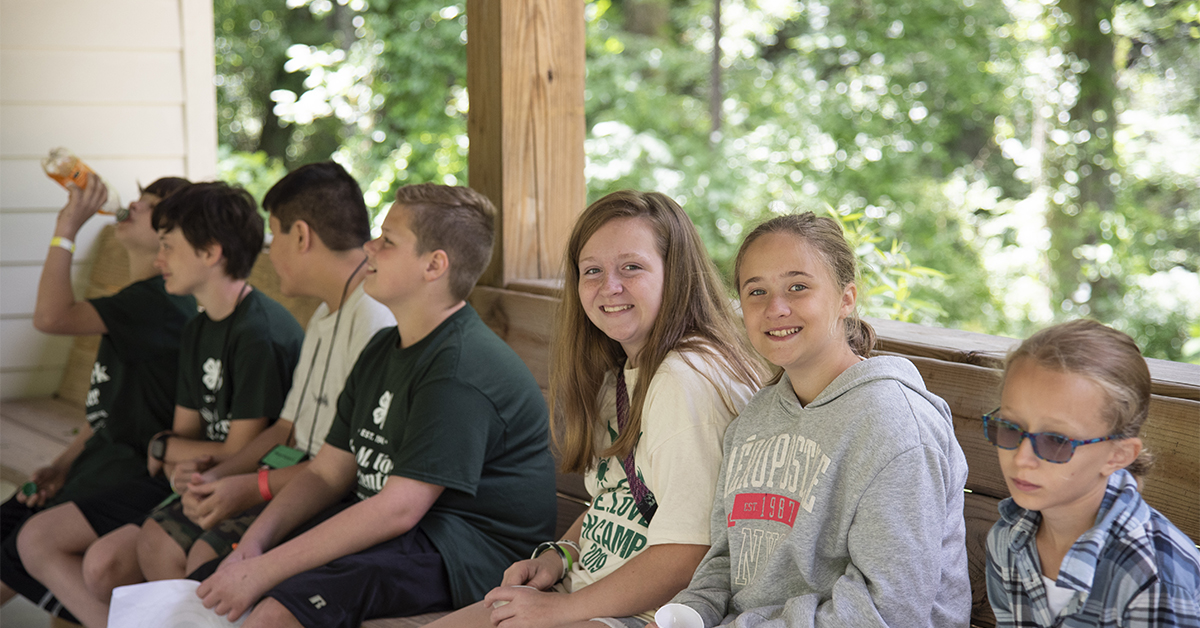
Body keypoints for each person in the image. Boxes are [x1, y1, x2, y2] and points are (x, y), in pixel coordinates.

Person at [194, 182, 557, 628]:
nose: (368, 246)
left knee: (275, 613)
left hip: (466, 552)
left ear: (434, 265)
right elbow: (327, 473)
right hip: (403, 531)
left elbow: (398, 509)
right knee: (212, 573)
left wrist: (262, 571)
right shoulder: (385, 346)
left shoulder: (460, 368)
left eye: (387, 241)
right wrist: (254, 546)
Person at [426, 190, 761, 628]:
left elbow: (687, 553)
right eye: (592, 271)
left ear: (675, 274)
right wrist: (560, 555)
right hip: (589, 590)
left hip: (647, 613)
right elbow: (616, 497)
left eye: (632, 267)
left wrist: (558, 610)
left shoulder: (685, 379)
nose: (610, 286)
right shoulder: (625, 369)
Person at [18, 181, 305, 628]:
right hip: (195, 478)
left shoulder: (257, 334)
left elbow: (237, 452)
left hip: (246, 486)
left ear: (211, 253)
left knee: (107, 563)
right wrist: (167, 452)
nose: (159, 259)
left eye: (168, 247)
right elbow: (181, 435)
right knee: (58, 549)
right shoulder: (198, 326)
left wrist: (164, 451)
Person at [662, 212, 971, 627]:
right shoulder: (754, 421)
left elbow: (887, 612)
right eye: (756, 292)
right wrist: (687, 615)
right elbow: (726, 561)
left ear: (846, 299)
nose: (776, 308)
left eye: (798, 287)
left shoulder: (895, 425)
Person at [116, 163, 394, 586]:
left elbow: (343, 469)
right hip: (295, 473)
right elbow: (286, 428)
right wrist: (218, 477)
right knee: (158, 541)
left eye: (274, 234)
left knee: (205, 559)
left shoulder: (373, 320)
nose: (268, 250)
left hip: (338, 498)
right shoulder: (326, 312)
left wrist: (248, 487)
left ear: (301, 236)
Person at [0, 175, 194, 622]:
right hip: (94, 462)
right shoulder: (138, 299)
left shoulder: (158, 302)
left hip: (126, 476)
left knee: (24, 546)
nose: (132, 206)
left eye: (148, 204)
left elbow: (51, 317)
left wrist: (67, 228)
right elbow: (109, 407)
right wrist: (63, 462)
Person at [984, 319, 1200, 627]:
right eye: (1009, 428)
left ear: (1117, 455)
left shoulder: (1152, 574)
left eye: (1057, 441)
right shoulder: (1007, 540)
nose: (1022, 458)